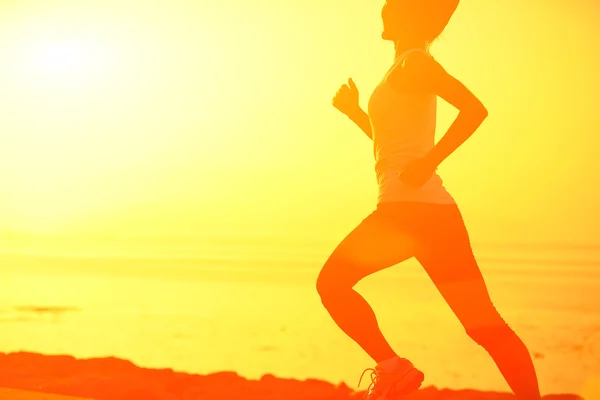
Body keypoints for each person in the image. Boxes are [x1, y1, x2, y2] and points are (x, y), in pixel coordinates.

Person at [316, 1, 542, 399]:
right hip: (429, 216)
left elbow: (474, 110)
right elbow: (390, 147)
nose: (383, 6)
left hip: (410, 213)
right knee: (484, 327)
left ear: (406, 15)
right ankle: (396, 369)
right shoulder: (401, 67)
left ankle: (393, 368)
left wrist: (429, 162)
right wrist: (354, 113)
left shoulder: (414, 63)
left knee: (332, 284)